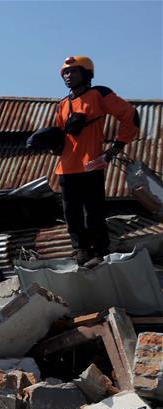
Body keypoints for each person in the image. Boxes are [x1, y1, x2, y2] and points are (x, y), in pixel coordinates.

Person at [54, 56, 139, 267]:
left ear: (86, 74)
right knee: (71, 215)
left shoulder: (99, 94)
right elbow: (60, 135)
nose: (68, 76)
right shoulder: (63, 104)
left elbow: (130, 115)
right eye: (65, 72)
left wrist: (118, 146)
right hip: (66, 168)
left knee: (94, 213)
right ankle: (80, 251)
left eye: (74, 71)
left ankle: (99, 252)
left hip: (91, 165)